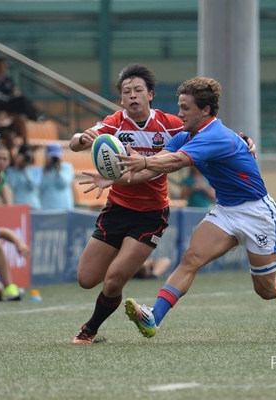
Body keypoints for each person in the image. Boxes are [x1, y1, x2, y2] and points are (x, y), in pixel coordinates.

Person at [108, 76, 276, 339]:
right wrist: (114, 177)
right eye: (179, 107)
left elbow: (174, 162)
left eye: (185, 108)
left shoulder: (215, 136)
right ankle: (154, 317)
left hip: (258, 214)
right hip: (226, 211)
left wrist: (144, 162)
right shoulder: (185, 136)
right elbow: (157, 166)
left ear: (205, 110)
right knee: (191, 258)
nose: (180, 113)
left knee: (266, 289)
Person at [67, 64, 185, 344]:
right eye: (126, 91)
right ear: (121, 99)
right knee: (86, 279)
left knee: (114, 279)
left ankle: (90, 329)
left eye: (138, 90)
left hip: (151, 215)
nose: (132, 95)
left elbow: (206, 131)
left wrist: (243, 139)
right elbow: (74, 143)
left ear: (150, 94)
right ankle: (115, 284)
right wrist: (82, 138)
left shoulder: (169, 124)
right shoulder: (114, 123)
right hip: (117, 210)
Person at [38, 142, 74, 211]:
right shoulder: (42, 170)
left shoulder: (67, 167)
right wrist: (45, 171)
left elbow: (64, 183)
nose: (53, 160)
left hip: (64, 209)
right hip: (46, 209)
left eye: (55, 158)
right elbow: (39, 187)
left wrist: (58, 171)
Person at [5, 143, 41, 209]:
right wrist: (16, 167)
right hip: (18, 205)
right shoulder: (11, 170)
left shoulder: (35, 170)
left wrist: (26, 169)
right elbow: (10, 186)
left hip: (33, 205)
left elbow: (33, 187)